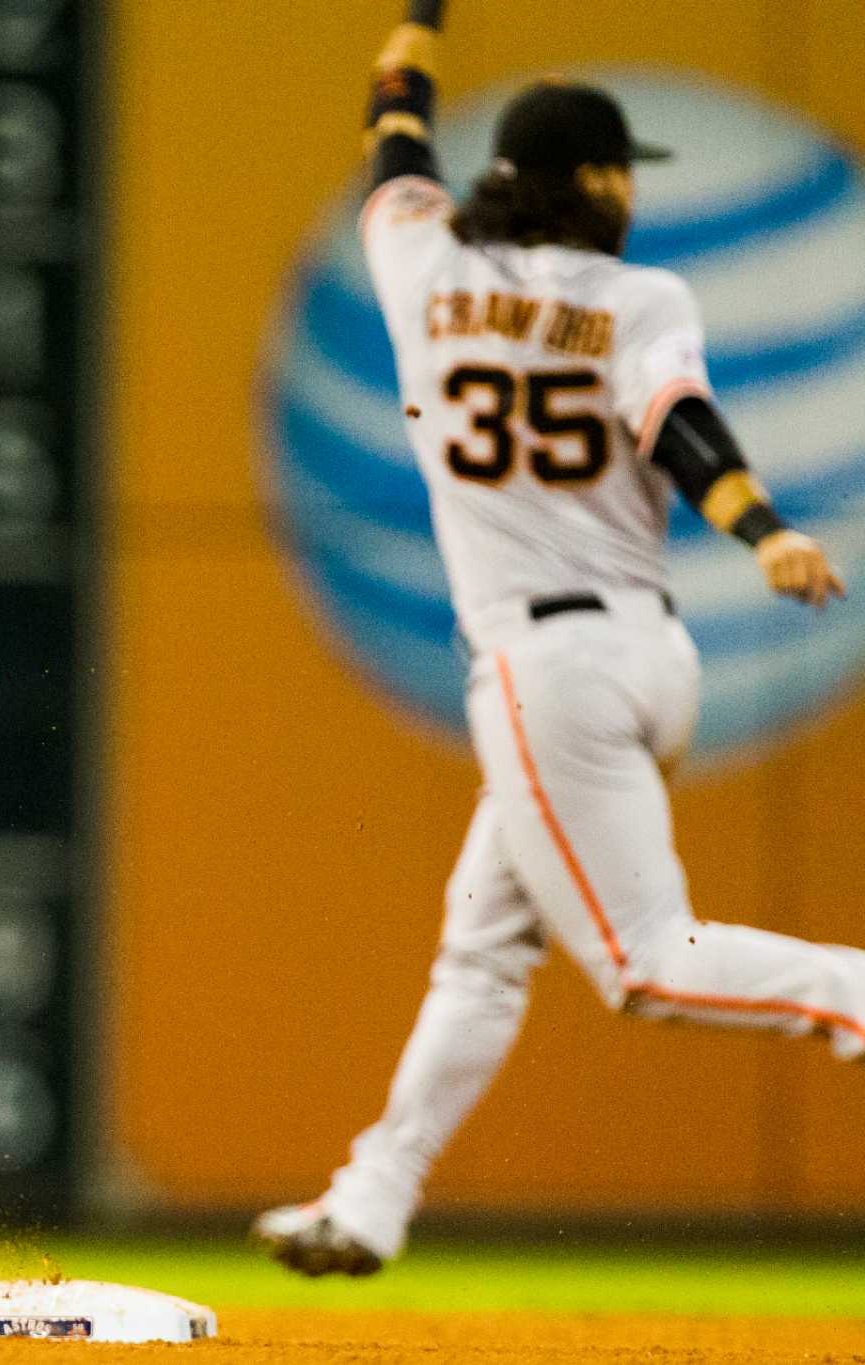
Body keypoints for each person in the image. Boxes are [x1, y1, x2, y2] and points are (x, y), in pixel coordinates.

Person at [254, 0, 855, 1276]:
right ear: (582, 181)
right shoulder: (636, 294)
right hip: (647, 658)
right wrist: (755, 532)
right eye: (616, 169)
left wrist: (417, 19)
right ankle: (367, 1200)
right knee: (480, 949)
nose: (626, 190)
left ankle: (851, 994)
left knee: (645, 963)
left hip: (544, 677)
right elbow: (677, 422)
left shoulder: (420, 262)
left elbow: (394, 122)